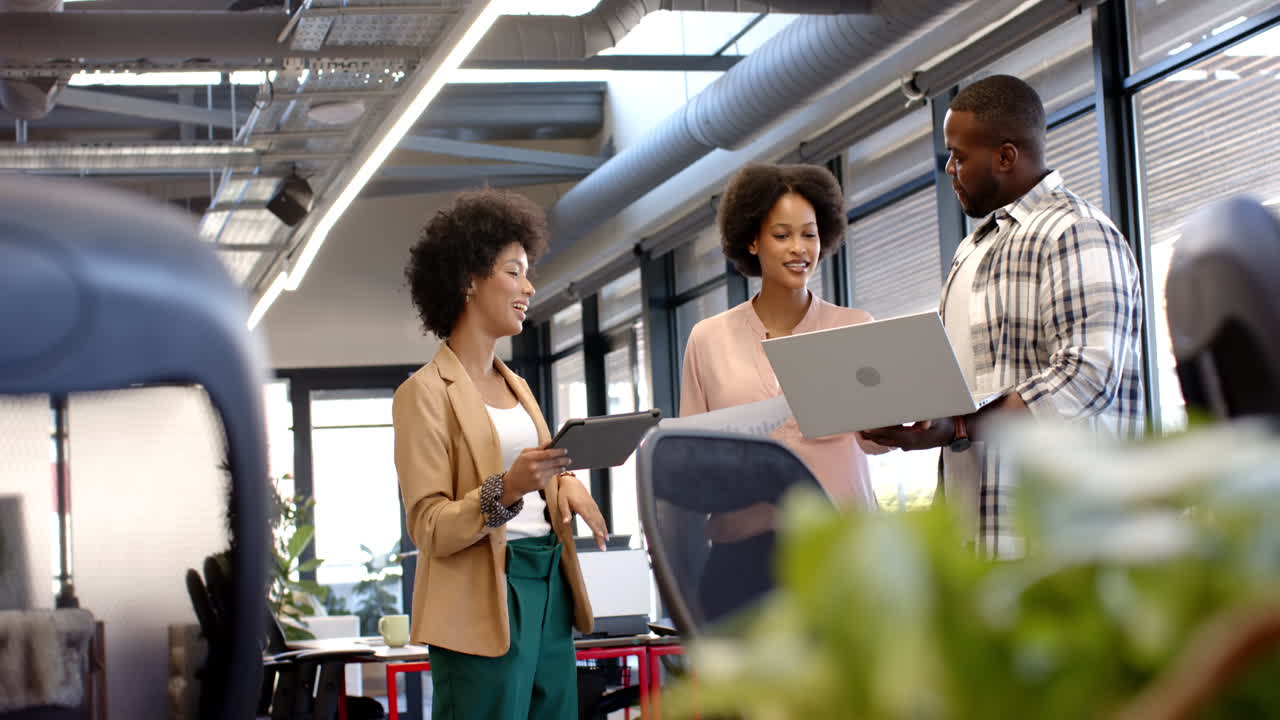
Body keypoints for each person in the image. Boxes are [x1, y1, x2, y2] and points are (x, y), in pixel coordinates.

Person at [862, 75, 1145, 558]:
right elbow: (962, 387)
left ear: (1006, 156)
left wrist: (960, 427)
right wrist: (918, 410)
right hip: (973, 532)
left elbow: (1089, 375)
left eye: (959, 155)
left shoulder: (1076, 231)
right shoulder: (971, 249)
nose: (950, 168)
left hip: (1059, 538)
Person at [392, 188, 608, 720]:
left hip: (548, 579)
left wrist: (563, 483)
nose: (529, 287)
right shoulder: (424, 393)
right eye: (514, 271)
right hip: (478, 598)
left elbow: (530, 474)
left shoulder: (519, 387)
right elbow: (430, 527)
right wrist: (509, 488)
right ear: (469, 279)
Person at [679, 163, 887, 619]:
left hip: (841, 556)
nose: (799, 249)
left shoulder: (855, 329)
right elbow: (691, 457)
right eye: (782, 235)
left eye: (809, 235)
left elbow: (877, 443)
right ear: (752, 241)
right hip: (742, 558)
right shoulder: (707, 339)